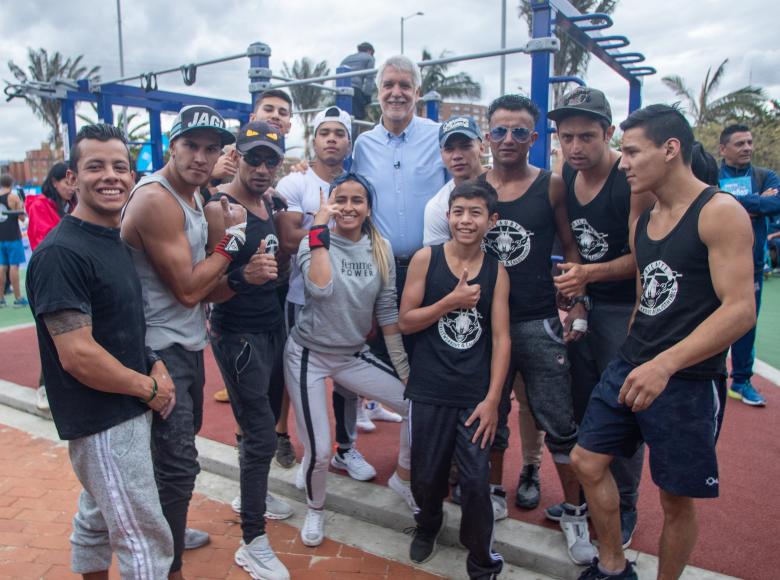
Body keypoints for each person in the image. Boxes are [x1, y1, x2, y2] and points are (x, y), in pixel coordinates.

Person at [571, 104, 756, 580]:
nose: (623, 162)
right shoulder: (648, 216)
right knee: (586, 461)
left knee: (675, 498)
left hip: (689, 379)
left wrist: (665, 365)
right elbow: (647, 296)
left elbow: (740, 309)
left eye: (632, 151)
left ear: (670, 149)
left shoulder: (719, 213)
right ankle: (613, 565)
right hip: (633, 362)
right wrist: (637, 351)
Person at [26, 124, 176, 579]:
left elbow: (119, 324)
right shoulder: (61, 254)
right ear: (73, 178)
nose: (110, 176)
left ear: (132, 176)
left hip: (122, 409)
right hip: (106, 419)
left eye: (119, 166)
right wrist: (149, 388)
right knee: (144, 539)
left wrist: (152, 361)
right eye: (95, 166)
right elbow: (78, 354)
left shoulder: (111, 241)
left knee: (96, 518)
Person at [121, 104, 245, 578]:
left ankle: (167, 532)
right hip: (157, 348)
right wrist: (233, 244)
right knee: (176, 464)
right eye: (191, 145)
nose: (200, 156)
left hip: (186, 342)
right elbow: (190, 289)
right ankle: (166, 565)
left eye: (210, 149)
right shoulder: (157, 198)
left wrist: (245, 277)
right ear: (172, 146)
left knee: (173, 456)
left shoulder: (195, 197)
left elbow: (207, 289)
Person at [480, 94, 594, 563]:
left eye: (520, 131)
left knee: (560, 422)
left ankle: (575, 514)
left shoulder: (550, 186)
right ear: (488, 136)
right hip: (486, 324)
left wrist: (580, 302)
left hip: (538, 321)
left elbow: (571, 249)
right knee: (488, 420)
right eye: (501, 130)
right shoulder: (470, 187)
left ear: (534, 137)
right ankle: (489, 497)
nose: (509, 139)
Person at [284, 172, 416, 547]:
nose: (348, 207)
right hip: (309, 353)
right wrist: (318, 229)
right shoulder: (315, 242)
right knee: (321, 450)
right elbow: (321, 289)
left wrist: (403, 370)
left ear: (369, 208)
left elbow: (387, 311)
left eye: (357, 200)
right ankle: (315, 508)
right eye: (340, 199)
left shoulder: (381, 246)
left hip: (352, 353)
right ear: (328, 204)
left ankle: (402, 477)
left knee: (416, 405)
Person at [548, 87, 654, 548]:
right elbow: (570, 244)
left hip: (625, 307)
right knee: (583, 403)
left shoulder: (629, 180)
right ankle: (593, 497)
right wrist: (577, 298)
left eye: (587, 136)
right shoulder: (565, 175)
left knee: (625, 408)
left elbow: (644, 257)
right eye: (566, 136)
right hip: (588, 304)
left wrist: (587, 277)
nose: (575, 147)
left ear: (609, 133)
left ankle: (625, 505)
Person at [400, 181, 510, 578]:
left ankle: (481, 559)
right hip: (429, 389)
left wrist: (494, 398)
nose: (466, 220)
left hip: (473, 395)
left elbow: (501, 338)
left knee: (477, 483)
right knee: (426, 478)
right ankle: (428, 524)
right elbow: (405, 321)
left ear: (491, 221)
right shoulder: (425, 259)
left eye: (476, 212)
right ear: (447, 215)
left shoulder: (497, 270)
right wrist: (450, 302)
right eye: (459, 211)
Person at [205, 120, 291, 580]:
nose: (261, 168)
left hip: (271, 329)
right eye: (253, 158)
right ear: (237, 155)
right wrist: (243, 277)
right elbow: (203, 288)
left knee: (262, 424)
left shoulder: (269, 202)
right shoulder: (222, 208)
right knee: (261, 435)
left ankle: (248, 494)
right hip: (238, 336)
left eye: (270, 160)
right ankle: (252, 542)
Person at [275, 106, 380, 481]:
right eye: (325, 132)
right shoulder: (296, 184)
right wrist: (332, 229)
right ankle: (310, 454)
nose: (332, 138)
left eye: (339, 132)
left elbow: (367, 237)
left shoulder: (358, 185)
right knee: (304, 381)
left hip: (349, 299)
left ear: (349, 141)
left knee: (349, 382)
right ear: (314, 140)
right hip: (302, 298)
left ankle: (346, 449)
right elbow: (288, 240)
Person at [717, 124, 780, 407]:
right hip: (713, 263)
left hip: (750, 266)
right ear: (723, 149)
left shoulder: (765, 175)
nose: (747, 148)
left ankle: (741, 381)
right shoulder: (712, 174)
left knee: (745, 324)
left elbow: (775, 204)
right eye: (740, 143)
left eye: (749, 142)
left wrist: (730, 202)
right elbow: (708, 198)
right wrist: (755, 203)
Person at [24, 162, 79, 411]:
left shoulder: (69, 205)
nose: (71, 186)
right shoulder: (39, 205)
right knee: (52, 334)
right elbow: (44, 238)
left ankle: (59, 387)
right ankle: (44, 388)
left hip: (69, 274)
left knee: (72, 335)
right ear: (55, 181)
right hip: (50, 276)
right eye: (66, 181)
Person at [423, 115, 487, 247]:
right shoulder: (438, 206)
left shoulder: (506, 188)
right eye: (449, 149)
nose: (457, 156)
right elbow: (438, 260)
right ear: (441, 155)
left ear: (481, 148)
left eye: (465, 146)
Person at [25, 161, 77, 250]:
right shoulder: (39, 206)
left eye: (74, 184)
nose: (72, 188)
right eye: (67, 183)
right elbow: (43, 240)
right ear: (54, 182)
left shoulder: (72, 205)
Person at [0, 174, 28, 308]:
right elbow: (22, 218)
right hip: (12, 236)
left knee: (1, 266)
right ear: (11, 184)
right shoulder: (13, 197)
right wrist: (21, 205)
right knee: (14, 266)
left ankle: (1, 299)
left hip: (0, 237)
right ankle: (18, 298)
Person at [340, 42, 376, 120]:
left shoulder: (347, 58)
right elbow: (370, 78)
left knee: (343, 116)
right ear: (370, 51)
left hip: (340, 89)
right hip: (355, 89)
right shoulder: (369, 58)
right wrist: (367, 96)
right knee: (358, 116)